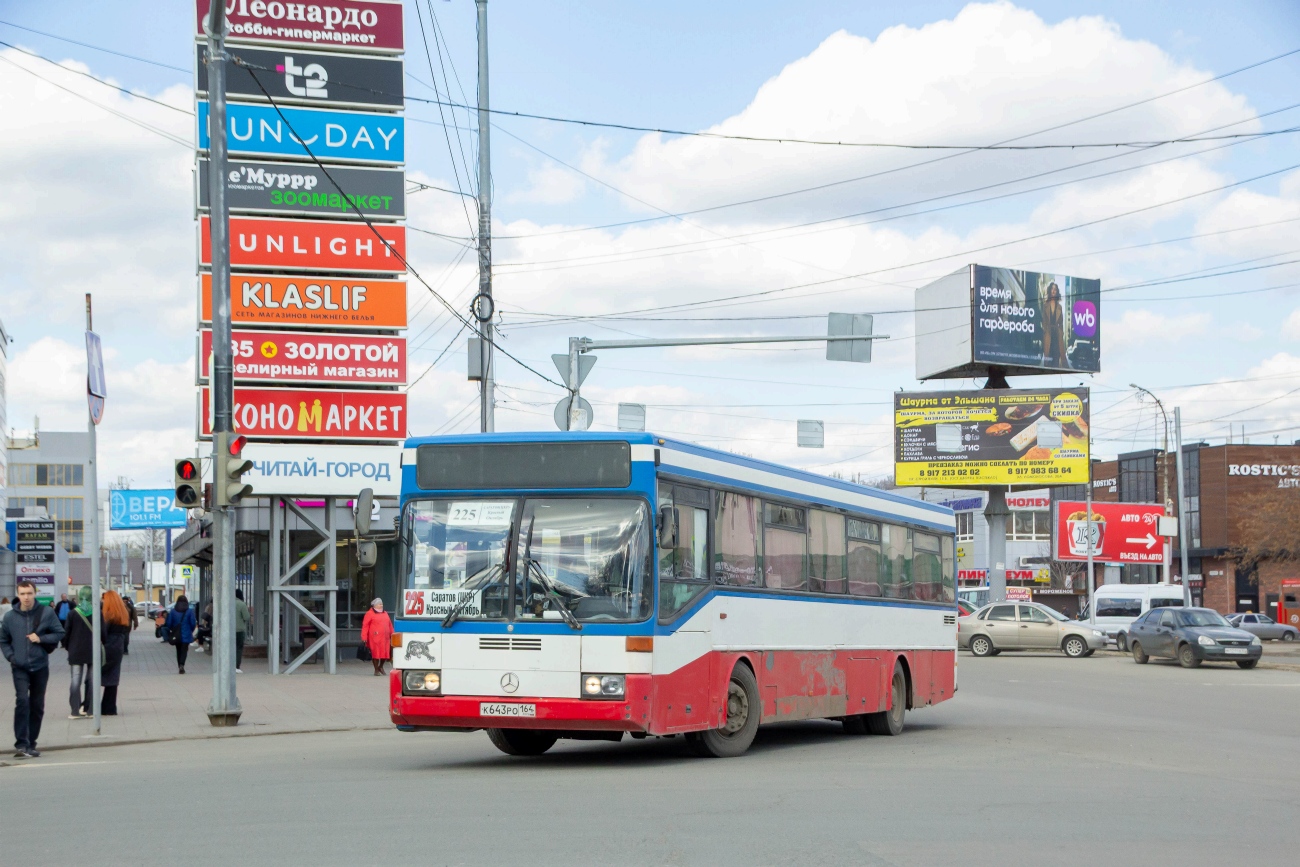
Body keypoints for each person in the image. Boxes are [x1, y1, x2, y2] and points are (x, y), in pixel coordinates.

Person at [0, 580, 65, 758]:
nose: (26, 597)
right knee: (22, 701)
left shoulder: (47, 612)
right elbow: (3, 640)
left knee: (37, 705)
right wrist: (11, 657)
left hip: (40, 666)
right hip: (19, 666)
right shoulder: (10, 617)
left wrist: (41, 638)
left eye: (29, 593)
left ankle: (31, 743)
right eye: (22, 594)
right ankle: (21, 743)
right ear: (18, 594)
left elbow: (60, 633)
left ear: (34, 593)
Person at [62, 586, 100, 719]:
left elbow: (66, 633)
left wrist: (68, 647)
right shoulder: (97, 612)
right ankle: (91, 710)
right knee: (93, 681)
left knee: (75, 681)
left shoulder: (72, 613)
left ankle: (75, 711)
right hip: (93, 651)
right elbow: (104, 634)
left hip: (76, 650)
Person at [101, 591, 131, 715]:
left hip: (107, 646)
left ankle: (89, 706)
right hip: (118, 646)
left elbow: (102, 633)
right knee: (113, 677)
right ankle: (110, 707)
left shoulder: (108, 615)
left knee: (94, 675)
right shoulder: (123, 613)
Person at [164, 596, 198, 674]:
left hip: (177, 635)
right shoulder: (189, 611)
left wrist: (173, 630)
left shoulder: (173, 611)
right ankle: (182, 664)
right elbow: (193, 623)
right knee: (184, 650)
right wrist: (190, 631)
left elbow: (168, 623)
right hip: (186, 634)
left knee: (178, 650)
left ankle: (179, 665)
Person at [360, 597, 393, 676]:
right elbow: (365, 626)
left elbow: (390, 625)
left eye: (381, 604)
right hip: (375, 638)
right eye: (379, 604)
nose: (381, 605)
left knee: (385, 653)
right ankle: (376, 669)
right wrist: (364, 637)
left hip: (385, 638)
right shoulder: (369, 613)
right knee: (376, 654)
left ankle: (380, 667)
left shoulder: (385, 613)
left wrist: (393, 634)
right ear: (374, 605)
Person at [1040, 281, 1067, 369]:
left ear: (1057, 292)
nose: (1053, 290)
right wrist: (1045, 330)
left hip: (1057, 335)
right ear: (1049, 290)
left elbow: (1061, 322)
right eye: (1052, 288)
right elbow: (1043, 320)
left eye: (1055, 289)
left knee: (1056, 356)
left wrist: (1061, 333)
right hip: (1048, 334)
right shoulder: (1045, 306)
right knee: (1048, 356)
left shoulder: (1059, 307)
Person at [234, 589, 250, 674]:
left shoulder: (227, 603)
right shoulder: (241, 604)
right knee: (238, 648)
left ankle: (228, 665)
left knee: (229, 648)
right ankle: (236, 666)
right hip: (239, 630)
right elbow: (246, 617)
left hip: (229, 631)